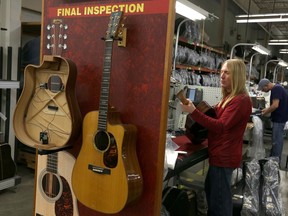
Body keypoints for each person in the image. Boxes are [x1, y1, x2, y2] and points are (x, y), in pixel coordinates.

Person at [181, 59, 252, 216]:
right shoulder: (229, 98)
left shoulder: (241, 101)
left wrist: (193, 111)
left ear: (237, 76)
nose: (222, 76)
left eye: (227, 73)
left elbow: (220, 126)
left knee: (219, 205)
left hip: (223, 158)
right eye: (221, 72)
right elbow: (215, 114)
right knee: (214, 197)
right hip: (219, 155)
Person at [258, 78, 288, 163]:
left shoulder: (276, 89)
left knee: (277, 141)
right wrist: (266, 109)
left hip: (279, 119)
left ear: (266, 85)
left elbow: (275, 105)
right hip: (280, 118)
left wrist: (265, 112)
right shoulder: (278, 88)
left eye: (263, 89)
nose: (263, 91)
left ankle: (274, 162)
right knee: (277, 140)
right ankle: (273, 158)